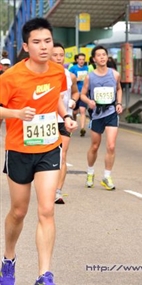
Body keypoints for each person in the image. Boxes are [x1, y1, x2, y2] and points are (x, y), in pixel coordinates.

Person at [0, 17, 77, 285]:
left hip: (48, 148)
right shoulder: (11, 77)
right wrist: (17, 113)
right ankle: (8, 259)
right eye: (37, 42)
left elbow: (56, 97)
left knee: (46, 210)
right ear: (25, 46)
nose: (43, 47)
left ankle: (45, 275)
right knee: (19, 212)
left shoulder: (58, 72)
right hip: (19, 150)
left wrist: (65, 115)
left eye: (47, 41)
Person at [80, 45, 123, 190]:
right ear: (94, 59)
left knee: (111, 145)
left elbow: (118, 89)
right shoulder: (90, 77)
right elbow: (82, 94)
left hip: (111, 112)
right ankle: (90, 172)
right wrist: (89, 102)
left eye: (104, 54)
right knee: (94, 146)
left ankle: (107, 176)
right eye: (99, 55)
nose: (102, 57)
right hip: (97, 114)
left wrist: (118, 103)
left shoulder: (115, 74)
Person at [51, 42, 80, 204]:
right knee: (47, 156)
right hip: (47, 120)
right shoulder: (43, 75)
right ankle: (46, 186)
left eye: (61, 55)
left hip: (65, 119)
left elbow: (75, 92)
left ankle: (58, 191)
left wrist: (74, 101)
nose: (58, 58)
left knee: (62, 155)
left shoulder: (70, 76)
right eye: (55, 55)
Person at [69, 52, 89, 137]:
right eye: (80, 59)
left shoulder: (87, 68)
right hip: (75, 93)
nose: (81, 61)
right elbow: (69, 79)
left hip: (84, 93)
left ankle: (82, 128)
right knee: (74, 111)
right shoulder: (73, 68)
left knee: (83, 110)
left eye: (83, 60)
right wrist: (76, 79)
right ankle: (74, 122)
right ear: (77, 60)